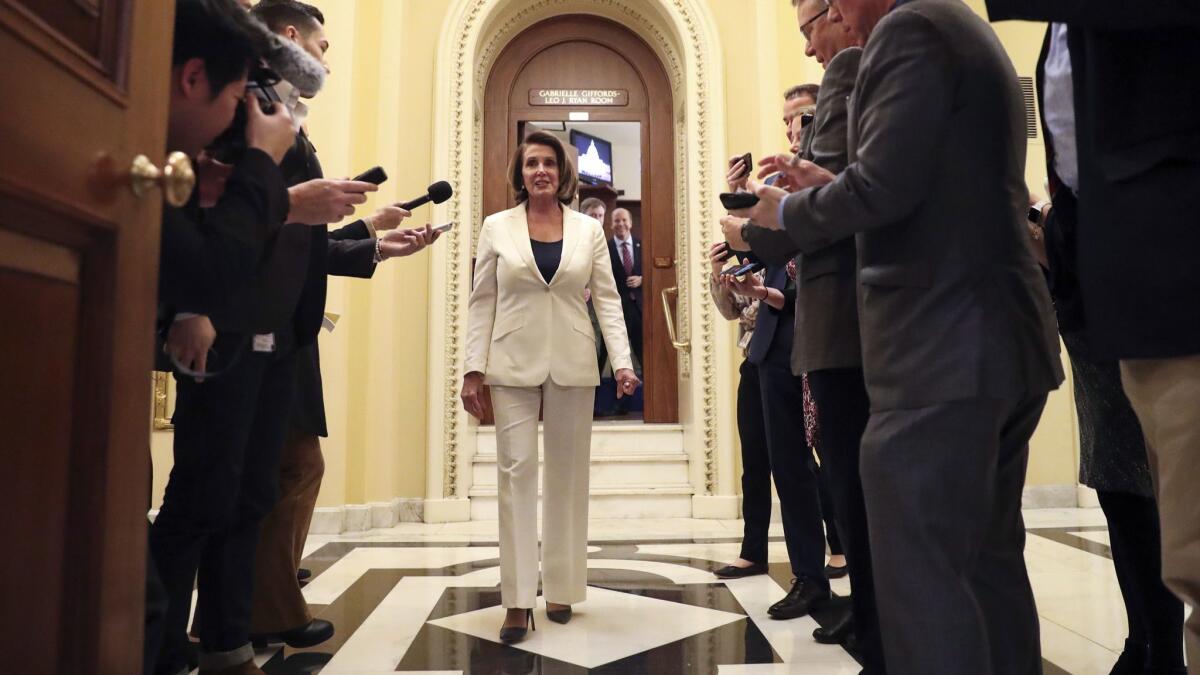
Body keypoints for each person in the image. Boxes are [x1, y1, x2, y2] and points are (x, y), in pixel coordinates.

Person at [735, 0, 1064, 670]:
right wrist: (834, 182)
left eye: (820, 12)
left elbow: (882, 189)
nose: (813, 45)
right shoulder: (963, 25)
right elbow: (927, 184)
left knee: (924, 578)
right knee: (988, 565)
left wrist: (787, 212)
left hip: (936, 348)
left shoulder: (908, 31)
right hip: (998, 338)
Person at [984, 4, 1200, 669]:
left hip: (1178, 276)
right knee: (1159, 521)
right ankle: (1152, 639)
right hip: (1114, 294)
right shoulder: (1065, 31)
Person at [240, 0, 438, 651]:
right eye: (323, 46)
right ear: (289, 36)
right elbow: (260, 224)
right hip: (258, 321)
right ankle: (258, 610)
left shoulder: (288, 118)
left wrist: (371, 237)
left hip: (286, 322)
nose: (328, 59)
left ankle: (261, 605)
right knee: (282, 469)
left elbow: (299, 236)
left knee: (291, 465)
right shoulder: (259, 114)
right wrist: (330, 219)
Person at [724, 0, 881, 667]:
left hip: (843, 327)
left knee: (850, 482)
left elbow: (824, 220)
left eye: (804, 119)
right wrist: (738, 259)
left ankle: (871, 616)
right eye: (790, 119)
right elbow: (756, 260)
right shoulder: (783, 174)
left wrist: (751, 227)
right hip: (785, 338)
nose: (795, 129)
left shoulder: (855, 75)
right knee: (801, 469)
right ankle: (839, 593)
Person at [461, 131, 641, 644]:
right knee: (515, 476)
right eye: (531, 163)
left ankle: (561, 586)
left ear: (564, 174)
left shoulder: (588, 230)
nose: (540, 170)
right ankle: (517, 600)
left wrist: (622, 363)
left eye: (549, 163)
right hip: (510, 363)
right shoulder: (496, 227)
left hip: (573, 361)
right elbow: (482, 302)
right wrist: (473, 369)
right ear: (519, 173)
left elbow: (607, 299)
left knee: (567, 476)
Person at [1027, 192, 1186, 675]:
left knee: (1134, 495)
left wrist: (1046, 222)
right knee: (1117, 491)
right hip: (1090, 326)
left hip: (1122, 319)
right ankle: (1142, 643)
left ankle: (1163, 654)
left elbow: (1090, 233)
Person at [708, 244, 772, 581]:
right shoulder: (746, 261)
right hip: (754, 363)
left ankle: (837, 547)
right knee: (754, 463)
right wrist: (719, 277)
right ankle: (753, 551)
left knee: (803, 461)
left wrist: (749, 290)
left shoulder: (779, 248)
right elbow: (731, 312)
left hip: (789, 362)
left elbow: (779, 304)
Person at [606, 207, 644, 411]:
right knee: (616, 358)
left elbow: (653, 272)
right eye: (616, 221)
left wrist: (642, 279)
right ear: (611, 224)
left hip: (639, 310)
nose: (620, 224)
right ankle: (616, 405)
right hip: (616, 311)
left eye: (624, 220)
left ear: (630, 222)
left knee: (643, 355)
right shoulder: (605, 247)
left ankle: (646, 403)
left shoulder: (642, 245)